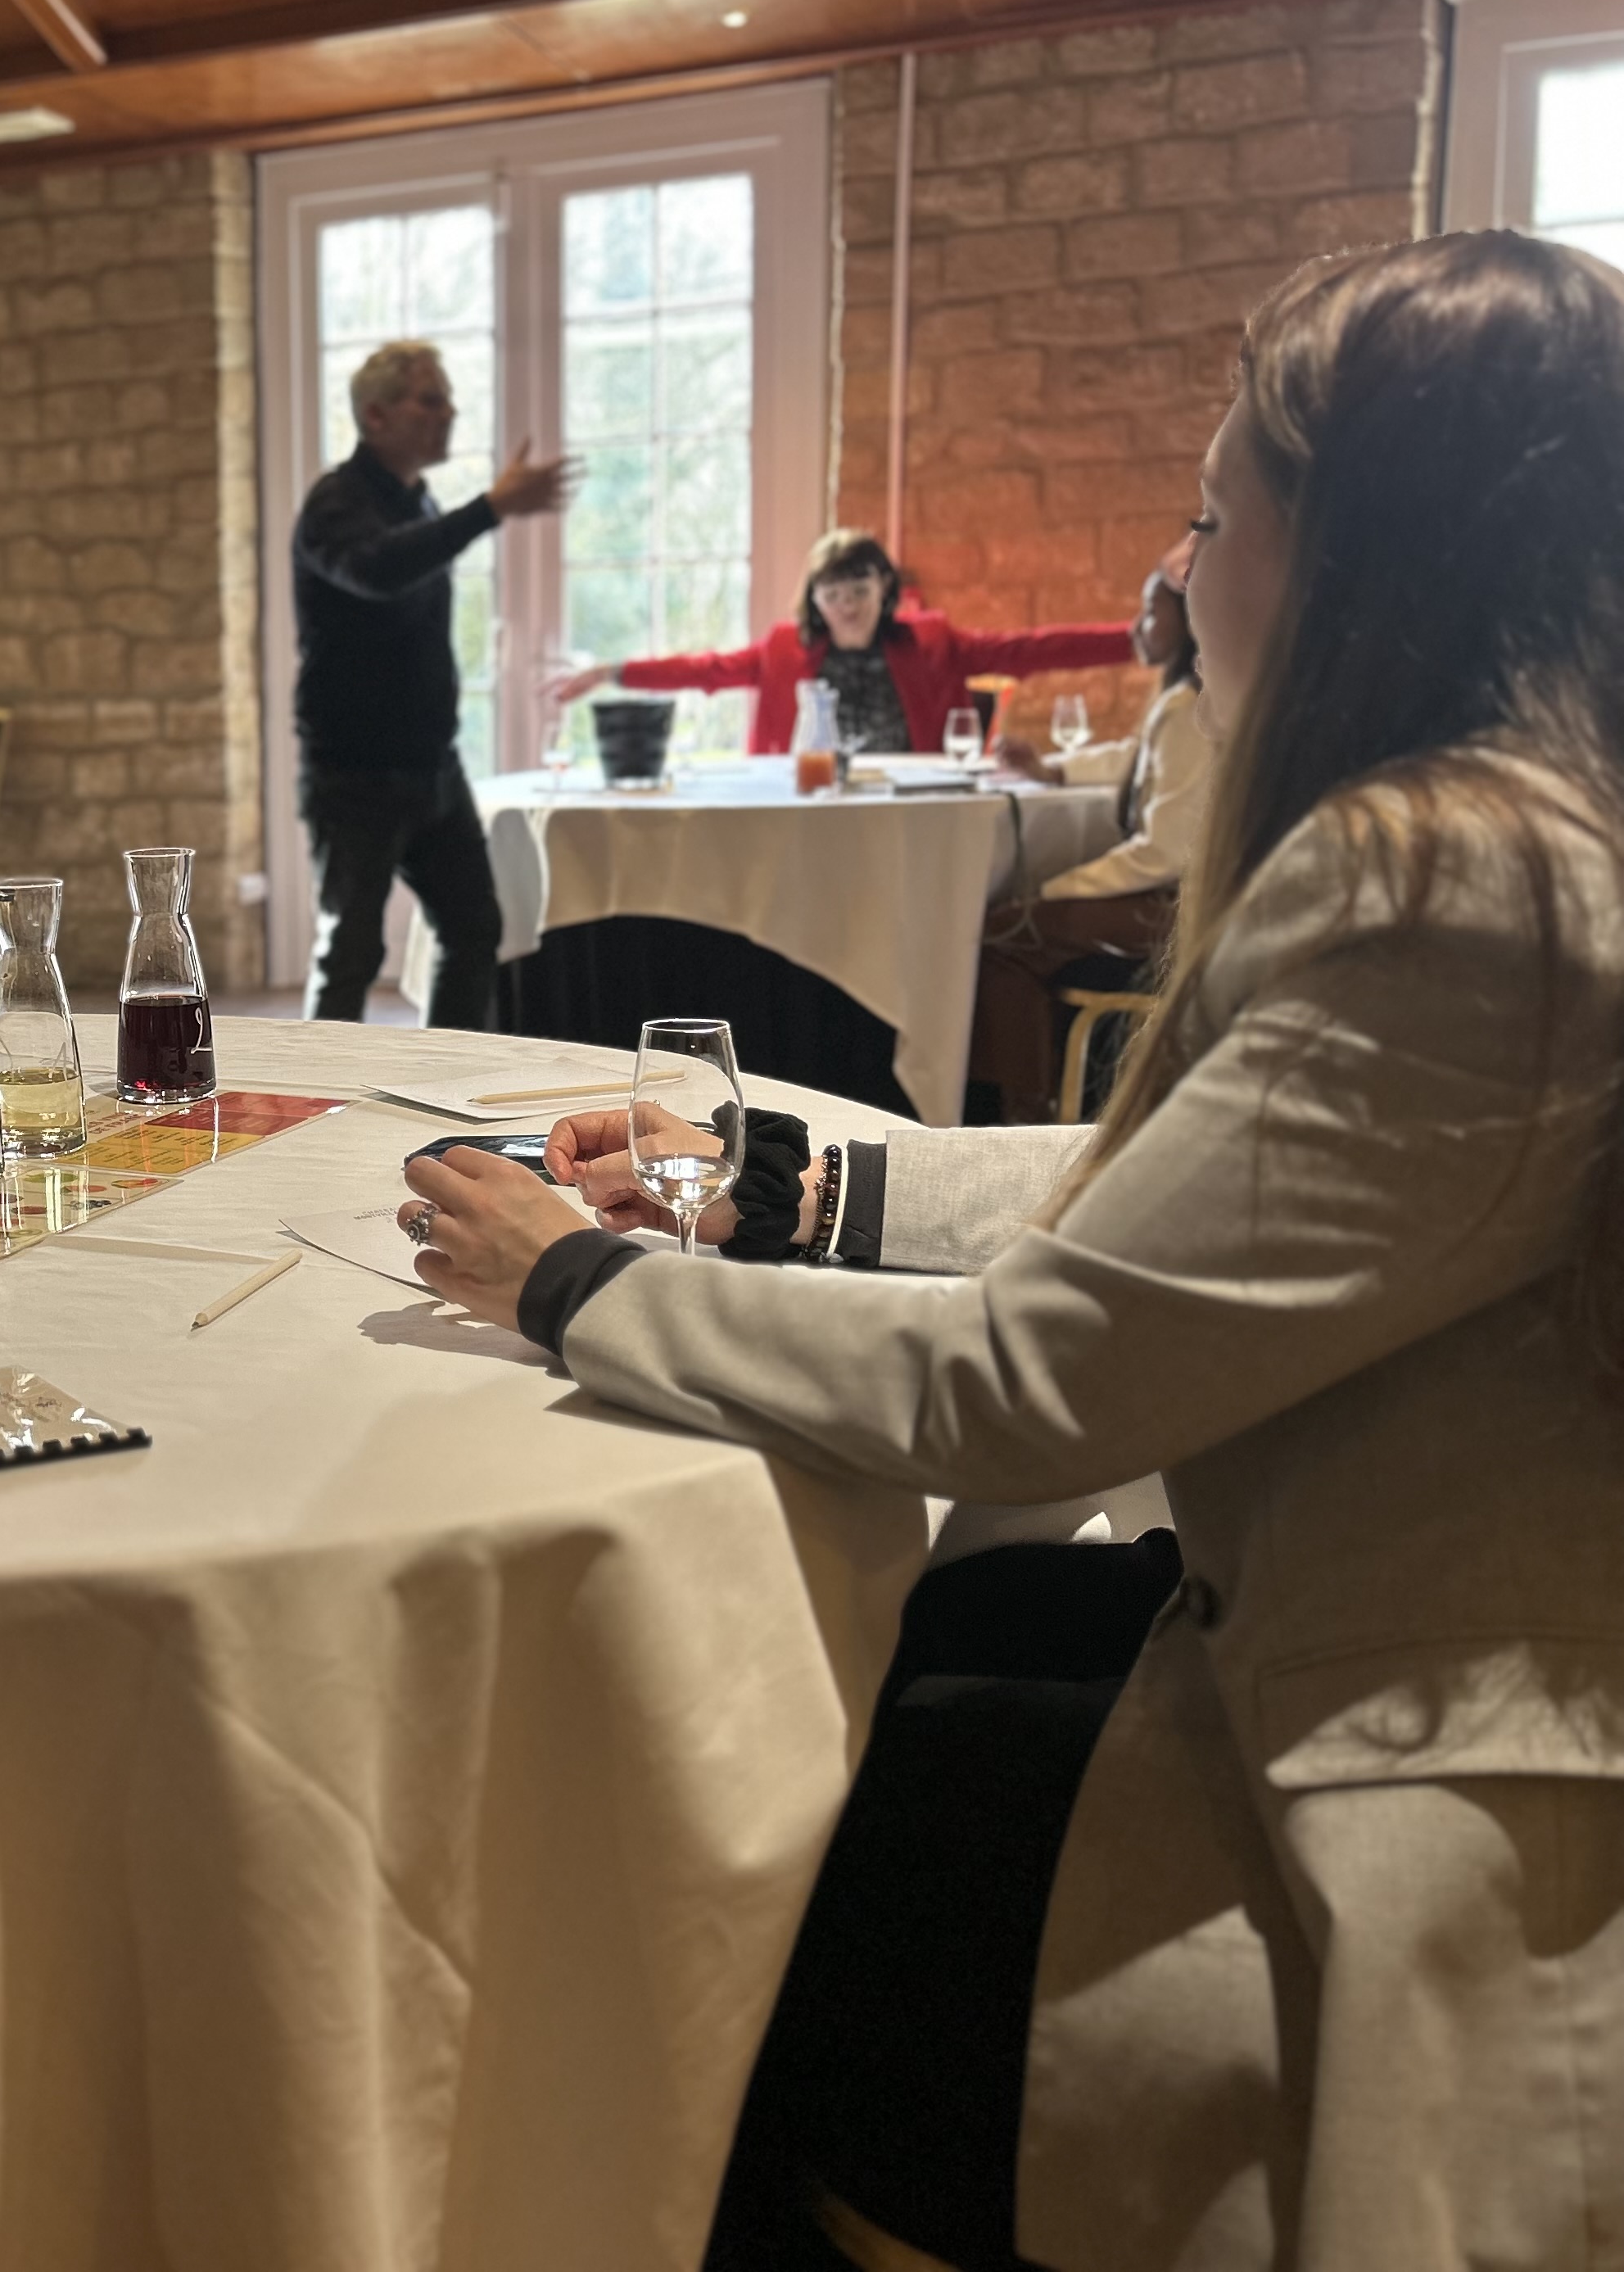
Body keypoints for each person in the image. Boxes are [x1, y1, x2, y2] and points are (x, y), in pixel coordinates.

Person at [405, 229, 1624, 2270]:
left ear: (1367, 558)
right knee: (918, 1642)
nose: (1176, 565)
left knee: (742, 1826)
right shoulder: (1525, 831)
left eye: (1216, 507)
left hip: (1426, 1782)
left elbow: (1026, 1395)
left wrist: (571, 1279)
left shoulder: (1449, 888)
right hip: (1357, 1634)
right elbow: (1165, 1192)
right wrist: (788, 1179)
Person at [290, 341, 575, 1027]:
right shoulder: (336, 502)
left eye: (448, 397)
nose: (450, 412)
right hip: (354, 776)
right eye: (431, 398)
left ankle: (443, 1079)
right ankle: (310, 1096)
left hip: (432, 769)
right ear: (377, 414)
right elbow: (377, 571)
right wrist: (491, 508)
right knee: (352, 953)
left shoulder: (419, 504)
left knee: (474, 928)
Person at [966, 536, 1217, 1119]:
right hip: (1167, 897)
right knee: (1014, 927)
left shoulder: (1189, 708)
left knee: (1006, 935)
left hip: (1170, 906)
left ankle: (1022, 1115)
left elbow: (1162, 854)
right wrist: (1052, 767)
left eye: (1150, 611)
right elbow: (1133, 754)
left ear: (1184, 620)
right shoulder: (1181, 702)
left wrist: (1055, 889)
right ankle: (1042, 1094)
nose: (1136, 627)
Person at [550, 530, 1137, 754]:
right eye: (833, 596)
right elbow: (707, 670)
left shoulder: (931, 642)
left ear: (884, 588)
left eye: (858, 591)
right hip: (808, 803)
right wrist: (612, 672)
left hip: (910, 802)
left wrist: (1139, 640)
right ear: (815, 601)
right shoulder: (785, 649)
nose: (847, 608)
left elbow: (1031, 651)